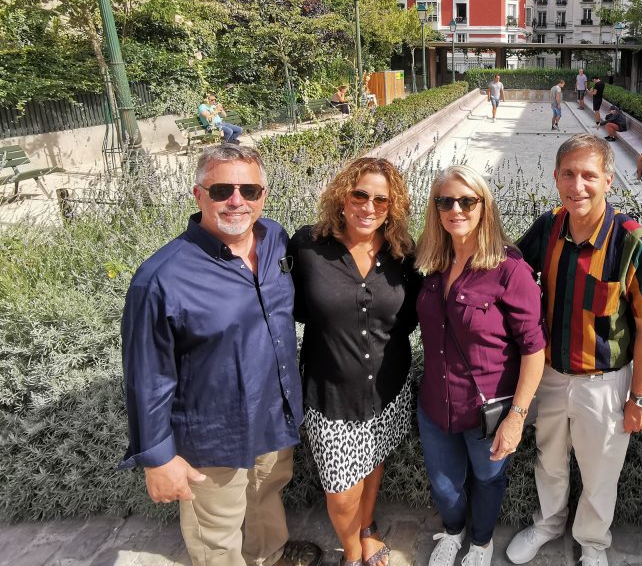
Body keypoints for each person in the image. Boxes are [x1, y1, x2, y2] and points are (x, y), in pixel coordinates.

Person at [120, 144, 321, 566]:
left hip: (272, 414)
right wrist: (158, 459)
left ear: (264, 194)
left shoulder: (275, 243)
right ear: (198, 195)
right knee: (216, 535)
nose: (237, 201)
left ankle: (269, 556)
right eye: (222, 190)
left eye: (249, 190)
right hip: (212, 437)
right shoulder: (162, 278)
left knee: (266, 496)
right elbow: (146, 375)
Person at [507, 134, 642, 566]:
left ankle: (593, 543)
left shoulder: (633, 243)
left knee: (600, 473)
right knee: (549, 459)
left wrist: (640, 397)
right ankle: (547, 523)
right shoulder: (549, 227)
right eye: (569, 174)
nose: (579, 185)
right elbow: (511, 272)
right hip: (552, 375)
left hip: (605, 383)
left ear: (609, 180)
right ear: (555, 178)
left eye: (589, 175)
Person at [288, 157, 420, 566]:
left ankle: (367, 527)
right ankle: (350, 550)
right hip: (332, 395)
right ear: (341, 197)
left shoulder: (404, 254)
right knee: (341, 489)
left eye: (382, 200)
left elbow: (409, 319)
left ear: (393, 207)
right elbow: (295, 308)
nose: (369, 207)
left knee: (373, 461)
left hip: (388, 387)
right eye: (360, 195)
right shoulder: (308, 245)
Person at [416, 165, 546, 566]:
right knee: (444, 484)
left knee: (489, 480)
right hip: (436, 403)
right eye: (445, 201)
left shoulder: (510, 270)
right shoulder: (432, 262)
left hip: (486, 410)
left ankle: (481, 542)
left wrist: (517, 416)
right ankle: (453, 532)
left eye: (466, 200)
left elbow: (534, 349)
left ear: (484, 206)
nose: (456, 209)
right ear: (436, 209)